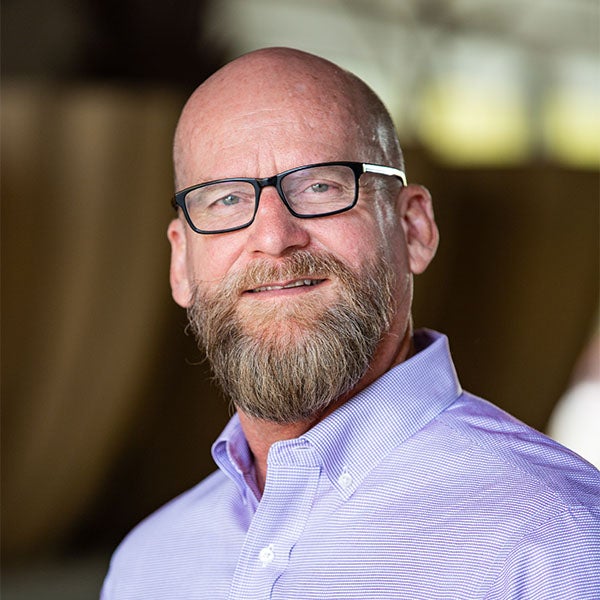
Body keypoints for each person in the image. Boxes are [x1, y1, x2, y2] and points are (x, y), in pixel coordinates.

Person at [101, 47, 600, 599]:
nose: (272, 238)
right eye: (224, 199)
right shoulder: (146, 567)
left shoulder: (557, 539)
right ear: (180, 263)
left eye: (320, 187)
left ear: (413, 228)